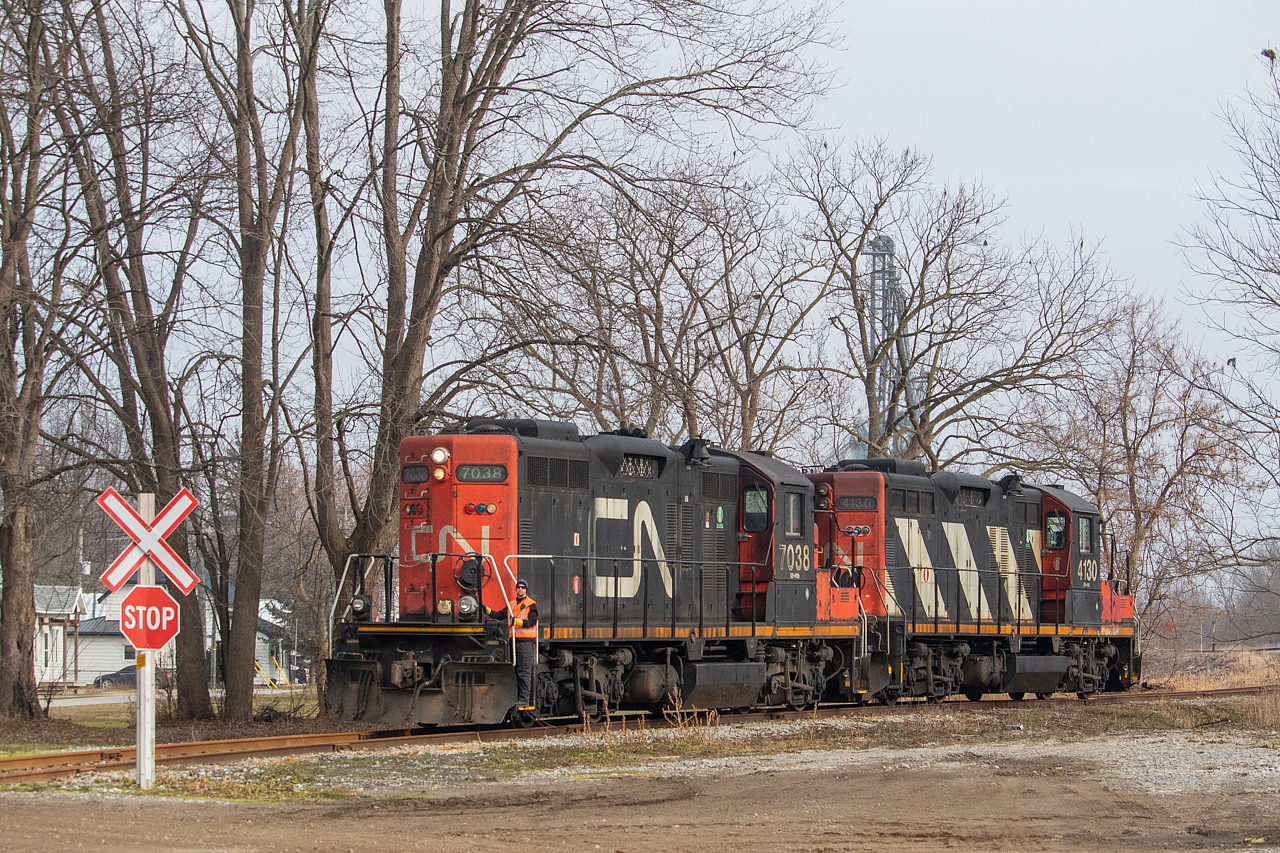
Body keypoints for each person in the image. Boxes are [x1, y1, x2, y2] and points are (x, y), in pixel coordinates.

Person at [484, 579, 538, 710]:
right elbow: (499, 614)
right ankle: (515, 698)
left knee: (523, 672)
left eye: (522, 587)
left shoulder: (531, 604)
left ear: (526, 590)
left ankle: (524, 700)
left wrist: (516, 621)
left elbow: (532, 622)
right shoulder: (512, 604)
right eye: (518, 587)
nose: (520, 589)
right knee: (514, 672)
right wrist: (486, 609)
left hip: (526, 643)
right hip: (513, 642)